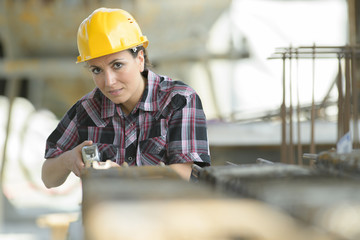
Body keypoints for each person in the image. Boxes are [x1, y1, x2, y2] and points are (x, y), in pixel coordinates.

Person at [41, 7, 210, 188]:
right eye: (96, 70)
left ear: (140, 60)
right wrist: (68, 159)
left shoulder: (179, 100)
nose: (109, 82)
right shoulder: (87, 110)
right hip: (107, 215)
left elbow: (184, 175)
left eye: (118, 65)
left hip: (166, 214)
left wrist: (123, 175)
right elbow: (48, 178)